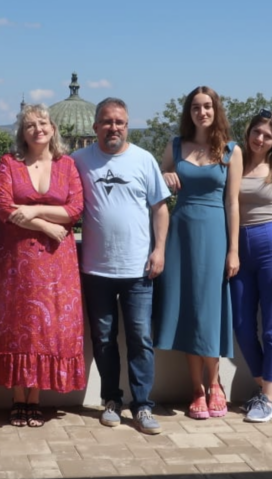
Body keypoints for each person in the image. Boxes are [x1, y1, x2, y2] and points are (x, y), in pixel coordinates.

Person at [0, 104, 86, 428]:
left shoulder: (67, 165)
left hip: (56, 263)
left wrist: (33, 212)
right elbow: (3, 206)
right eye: (30, 125)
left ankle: (34, 399)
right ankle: (17, 398)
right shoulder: (9, 163)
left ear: (53, 128)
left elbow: (75, 209)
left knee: (46, 330)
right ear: (22, 132)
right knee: (16, 325)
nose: (38, 129)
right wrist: (46, 225)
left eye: (43, 123)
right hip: (14, 261)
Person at [73, 97, 170, 435]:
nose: (113, 127)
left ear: (127, 126)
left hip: (138, 270)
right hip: (95, 269)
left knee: (140, 338)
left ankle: (142, 406)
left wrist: (160, 250)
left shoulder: (144, 159)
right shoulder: (78, 161)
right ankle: (111, 400)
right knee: (103, 339)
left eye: (119, 122)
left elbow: (160, 209)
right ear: (95, 126)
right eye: (107, 121)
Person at [153, 86, 242, 420]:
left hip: (214, 234)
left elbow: (233, 203)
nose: (201, 112)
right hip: (180, 234)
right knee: (188, 308)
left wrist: (233, 250)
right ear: (188, 112)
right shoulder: (175, 146)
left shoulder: (231, 150)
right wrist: (165, 173)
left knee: (209, 308)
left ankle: (215, 383)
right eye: (195, 107)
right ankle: (196, 388)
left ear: (216, 110)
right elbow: (157, 185)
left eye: (207, 106)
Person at [229, 109, 272, 423]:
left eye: (268, 136)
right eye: (257, 132)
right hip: (238, 248)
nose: (260, 139)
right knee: (241, 325)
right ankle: (265, 385)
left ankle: (267, 398)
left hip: (270, 244)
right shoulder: (235, 161)